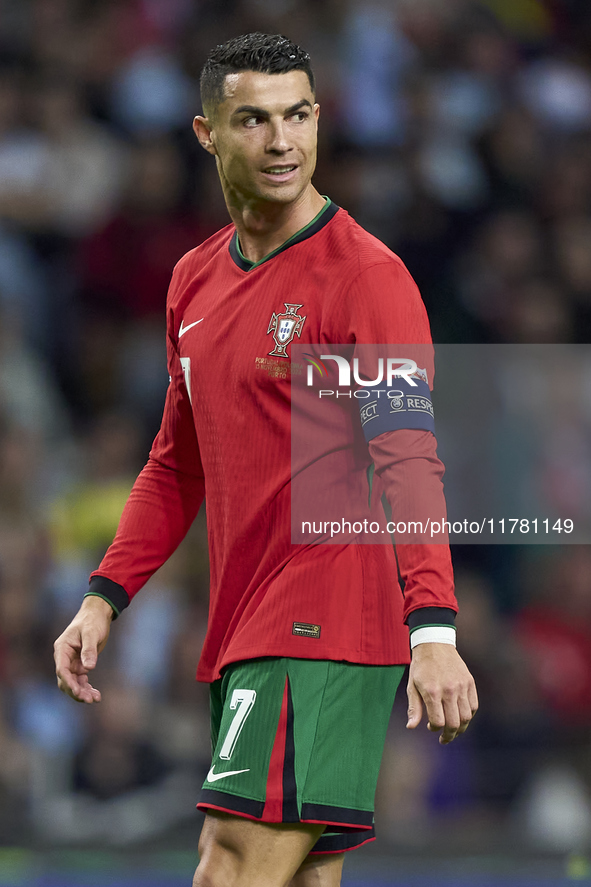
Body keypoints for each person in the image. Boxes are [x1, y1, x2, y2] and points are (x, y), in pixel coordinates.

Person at [54, 33, 478, 887]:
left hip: (321, 618)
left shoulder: (366, 277)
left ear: (319, 120)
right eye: (253, 119)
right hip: (243, 623)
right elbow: (177, 464)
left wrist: (431, 626)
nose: (281, 141)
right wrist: (104, 596)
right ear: (208, 133)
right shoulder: (193, 283)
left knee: (229, 864)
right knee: (299, 878)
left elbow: (407, 455)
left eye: (297, 116)